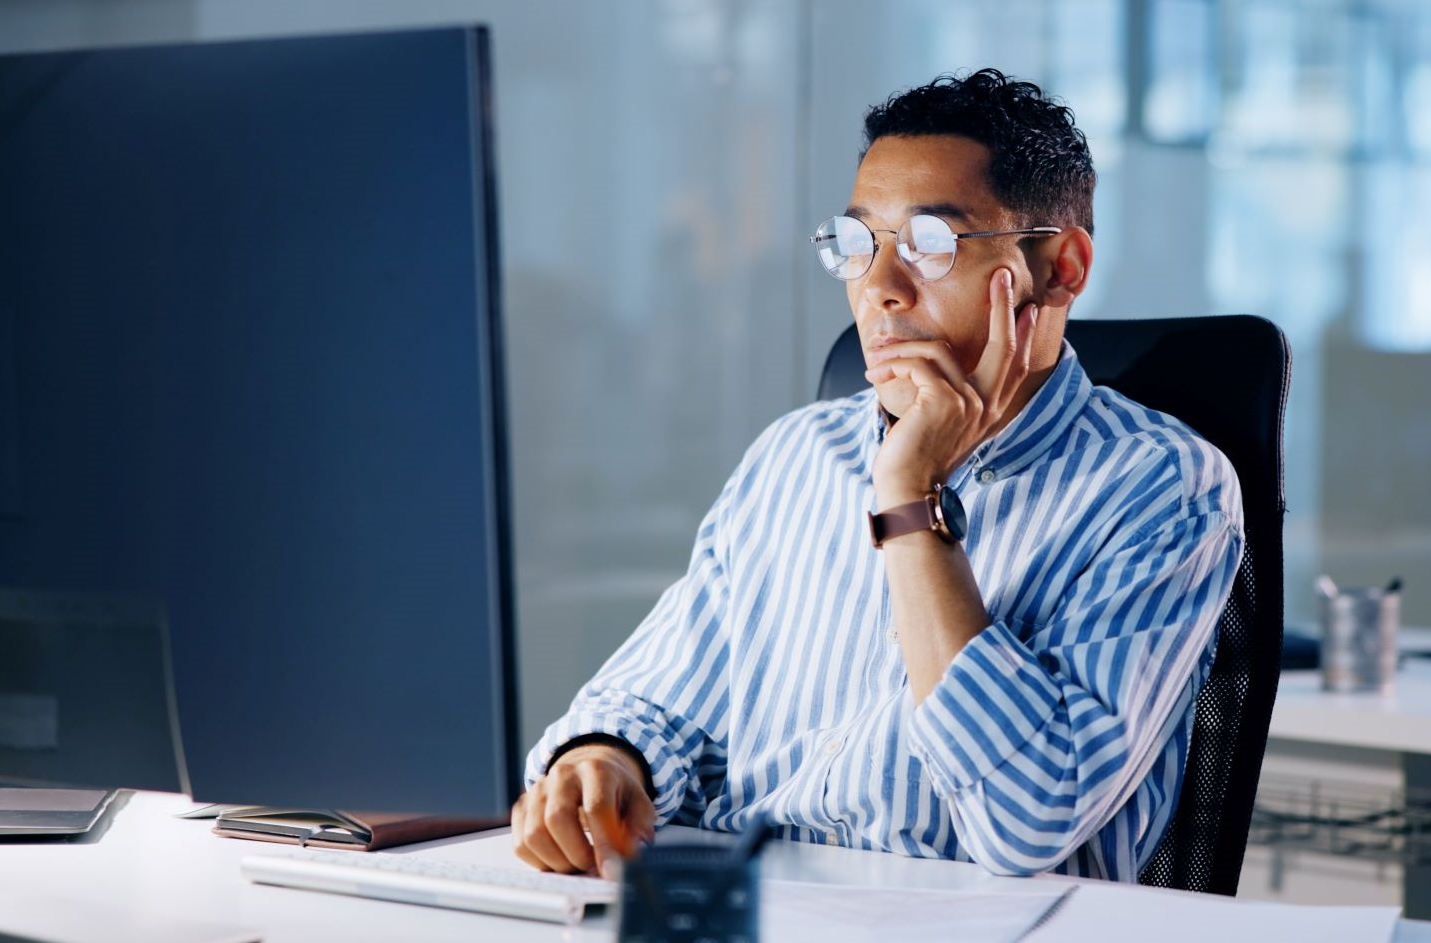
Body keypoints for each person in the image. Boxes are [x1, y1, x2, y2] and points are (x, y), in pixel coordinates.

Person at [512, 69, 1243, 882]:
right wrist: (605, 759)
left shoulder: (1161, 485)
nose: (880, 291)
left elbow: (1027, 819)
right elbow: (658, 694)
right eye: (858, 243)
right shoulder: (796, 455)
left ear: (1061, 267)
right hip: (748, 902)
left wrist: (910, 501)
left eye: (932, 244)